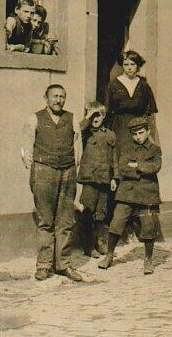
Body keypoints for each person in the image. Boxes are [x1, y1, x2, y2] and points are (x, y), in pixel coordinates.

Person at [21, 84, 83, 282]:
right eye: (54, 96)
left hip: (67, 172)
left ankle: (63, 264)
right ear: (46, 98)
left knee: (65, 221)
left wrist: (73, 169)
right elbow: (26, 149)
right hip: (44, 171)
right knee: (45, 220)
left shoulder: (72, 120)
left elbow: (78, 149)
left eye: (62, 96)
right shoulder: (35, 119)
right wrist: (35, 171)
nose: (58, 100)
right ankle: (44, 265)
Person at [99, 116, 161, 275]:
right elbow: (122, 168)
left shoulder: (155, 150)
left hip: (148, 194)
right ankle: (109, 255)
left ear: (148, 131)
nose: (138, 137)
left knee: (148, 226)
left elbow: (155, 167)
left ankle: (148, 260)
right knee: (116, 223)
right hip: (126, 192)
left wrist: (136, 166)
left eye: (141, 133)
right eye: (135, 134)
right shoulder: (126, 148)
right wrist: (141, 171)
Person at [77, 101, 116, 257]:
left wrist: (115, 178)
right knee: (88, 211)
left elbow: (115, 158)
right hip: (89, 179)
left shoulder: (111, 135)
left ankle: (100, 242)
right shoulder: (85, 133)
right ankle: (88, 246)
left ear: (104, 116)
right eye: (92, 115)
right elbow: (78, 130)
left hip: (105, 179)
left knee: (101, 212)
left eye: (98, 114)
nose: (95, 118)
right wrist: (87, 116)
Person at [105, 49, 158, 156]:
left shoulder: (143, 85)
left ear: (137, 65)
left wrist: (147, 131)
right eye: (126, 64)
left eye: (132, 64)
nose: (129, 67)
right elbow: (108, 110)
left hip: (139, 127)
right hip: (120, 127)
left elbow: (150, 110)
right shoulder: (113, 85)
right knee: (121, 156)